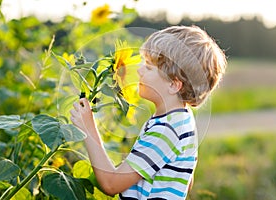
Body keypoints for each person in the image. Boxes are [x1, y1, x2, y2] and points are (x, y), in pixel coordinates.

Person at [70, 25, 226, 199]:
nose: (139, 70)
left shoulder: (166, 131)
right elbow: (185, 182)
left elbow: (111, 183)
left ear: (174, 85)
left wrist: (88, 129)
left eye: (149, 67)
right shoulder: (181, 119)